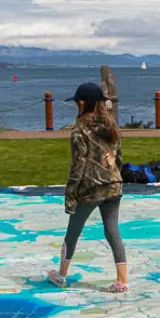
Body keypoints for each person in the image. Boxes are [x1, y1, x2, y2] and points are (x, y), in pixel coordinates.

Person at [49, 82, 128, 293]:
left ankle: (61, 275)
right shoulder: (111, 125)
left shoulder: (79, 130)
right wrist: (115, 177)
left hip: (91, 189)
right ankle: (122, 281)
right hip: (114, 186)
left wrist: (71, 195)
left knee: (73, 232)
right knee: (113, 232)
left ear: (82, 103)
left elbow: (78, 165)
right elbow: (118, 158)